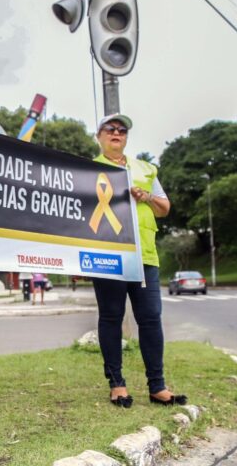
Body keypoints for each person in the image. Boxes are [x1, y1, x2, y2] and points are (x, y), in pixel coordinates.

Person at [92, 114, 186, 408]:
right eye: (110, 129)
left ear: (127, 137)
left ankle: (157, 386)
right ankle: (117, 385)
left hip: (144, 256)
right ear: (100, 136)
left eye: (122, 130)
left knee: (150, 319)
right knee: (111, 317)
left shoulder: (145, 169)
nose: (117, 133)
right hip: (108, 255)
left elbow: (164, 208)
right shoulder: (88, 170)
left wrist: (145, 196)